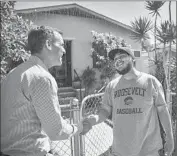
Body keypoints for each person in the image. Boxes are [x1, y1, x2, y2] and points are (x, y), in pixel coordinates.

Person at [1, 26, 83, 156]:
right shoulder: (41, 78)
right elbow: (57, 132)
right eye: (61, 45)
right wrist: (78, 128)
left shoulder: (13, 74)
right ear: (48, 44)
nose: (64, 50)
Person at [81, 47, 174, 156]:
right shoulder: (111, 86)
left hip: (149, 150)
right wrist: (94, 120)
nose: (118, 61)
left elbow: (162, 110)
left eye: (122, 57)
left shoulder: (150, 81)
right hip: (121, 150)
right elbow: (105, 110)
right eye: (115, 59)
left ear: (132, 59)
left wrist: (170, 137)